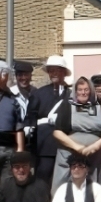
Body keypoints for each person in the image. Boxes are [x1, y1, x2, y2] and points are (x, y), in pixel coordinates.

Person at [51, 76, 101, 193]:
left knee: (96, 183)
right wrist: (77, 147)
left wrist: (93, 147)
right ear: (75, 91)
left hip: (96, 154)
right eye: (80, 89)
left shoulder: (100, 108)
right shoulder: (67, 106)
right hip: (70, 152)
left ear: (91, 91)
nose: (83, 92)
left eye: (86, 89)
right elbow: (57, 132)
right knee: (63, 184)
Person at [26, 56, 71, 187]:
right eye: (51, 71)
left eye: (58, 70)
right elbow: (31, 116)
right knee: (43, 179)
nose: (54, 74)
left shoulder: (71, 94)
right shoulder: (39, 93)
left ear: (64, 72)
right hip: (44, 144)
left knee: (64, 179)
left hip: (66, 143)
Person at [11, 60, 37, 140]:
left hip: (33, 137)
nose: (23, 78)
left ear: (31, 76)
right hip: (14, 137)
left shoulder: (37, 93)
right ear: (16, 76)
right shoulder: (10, 94)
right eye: (20, 75)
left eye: (26, 75)